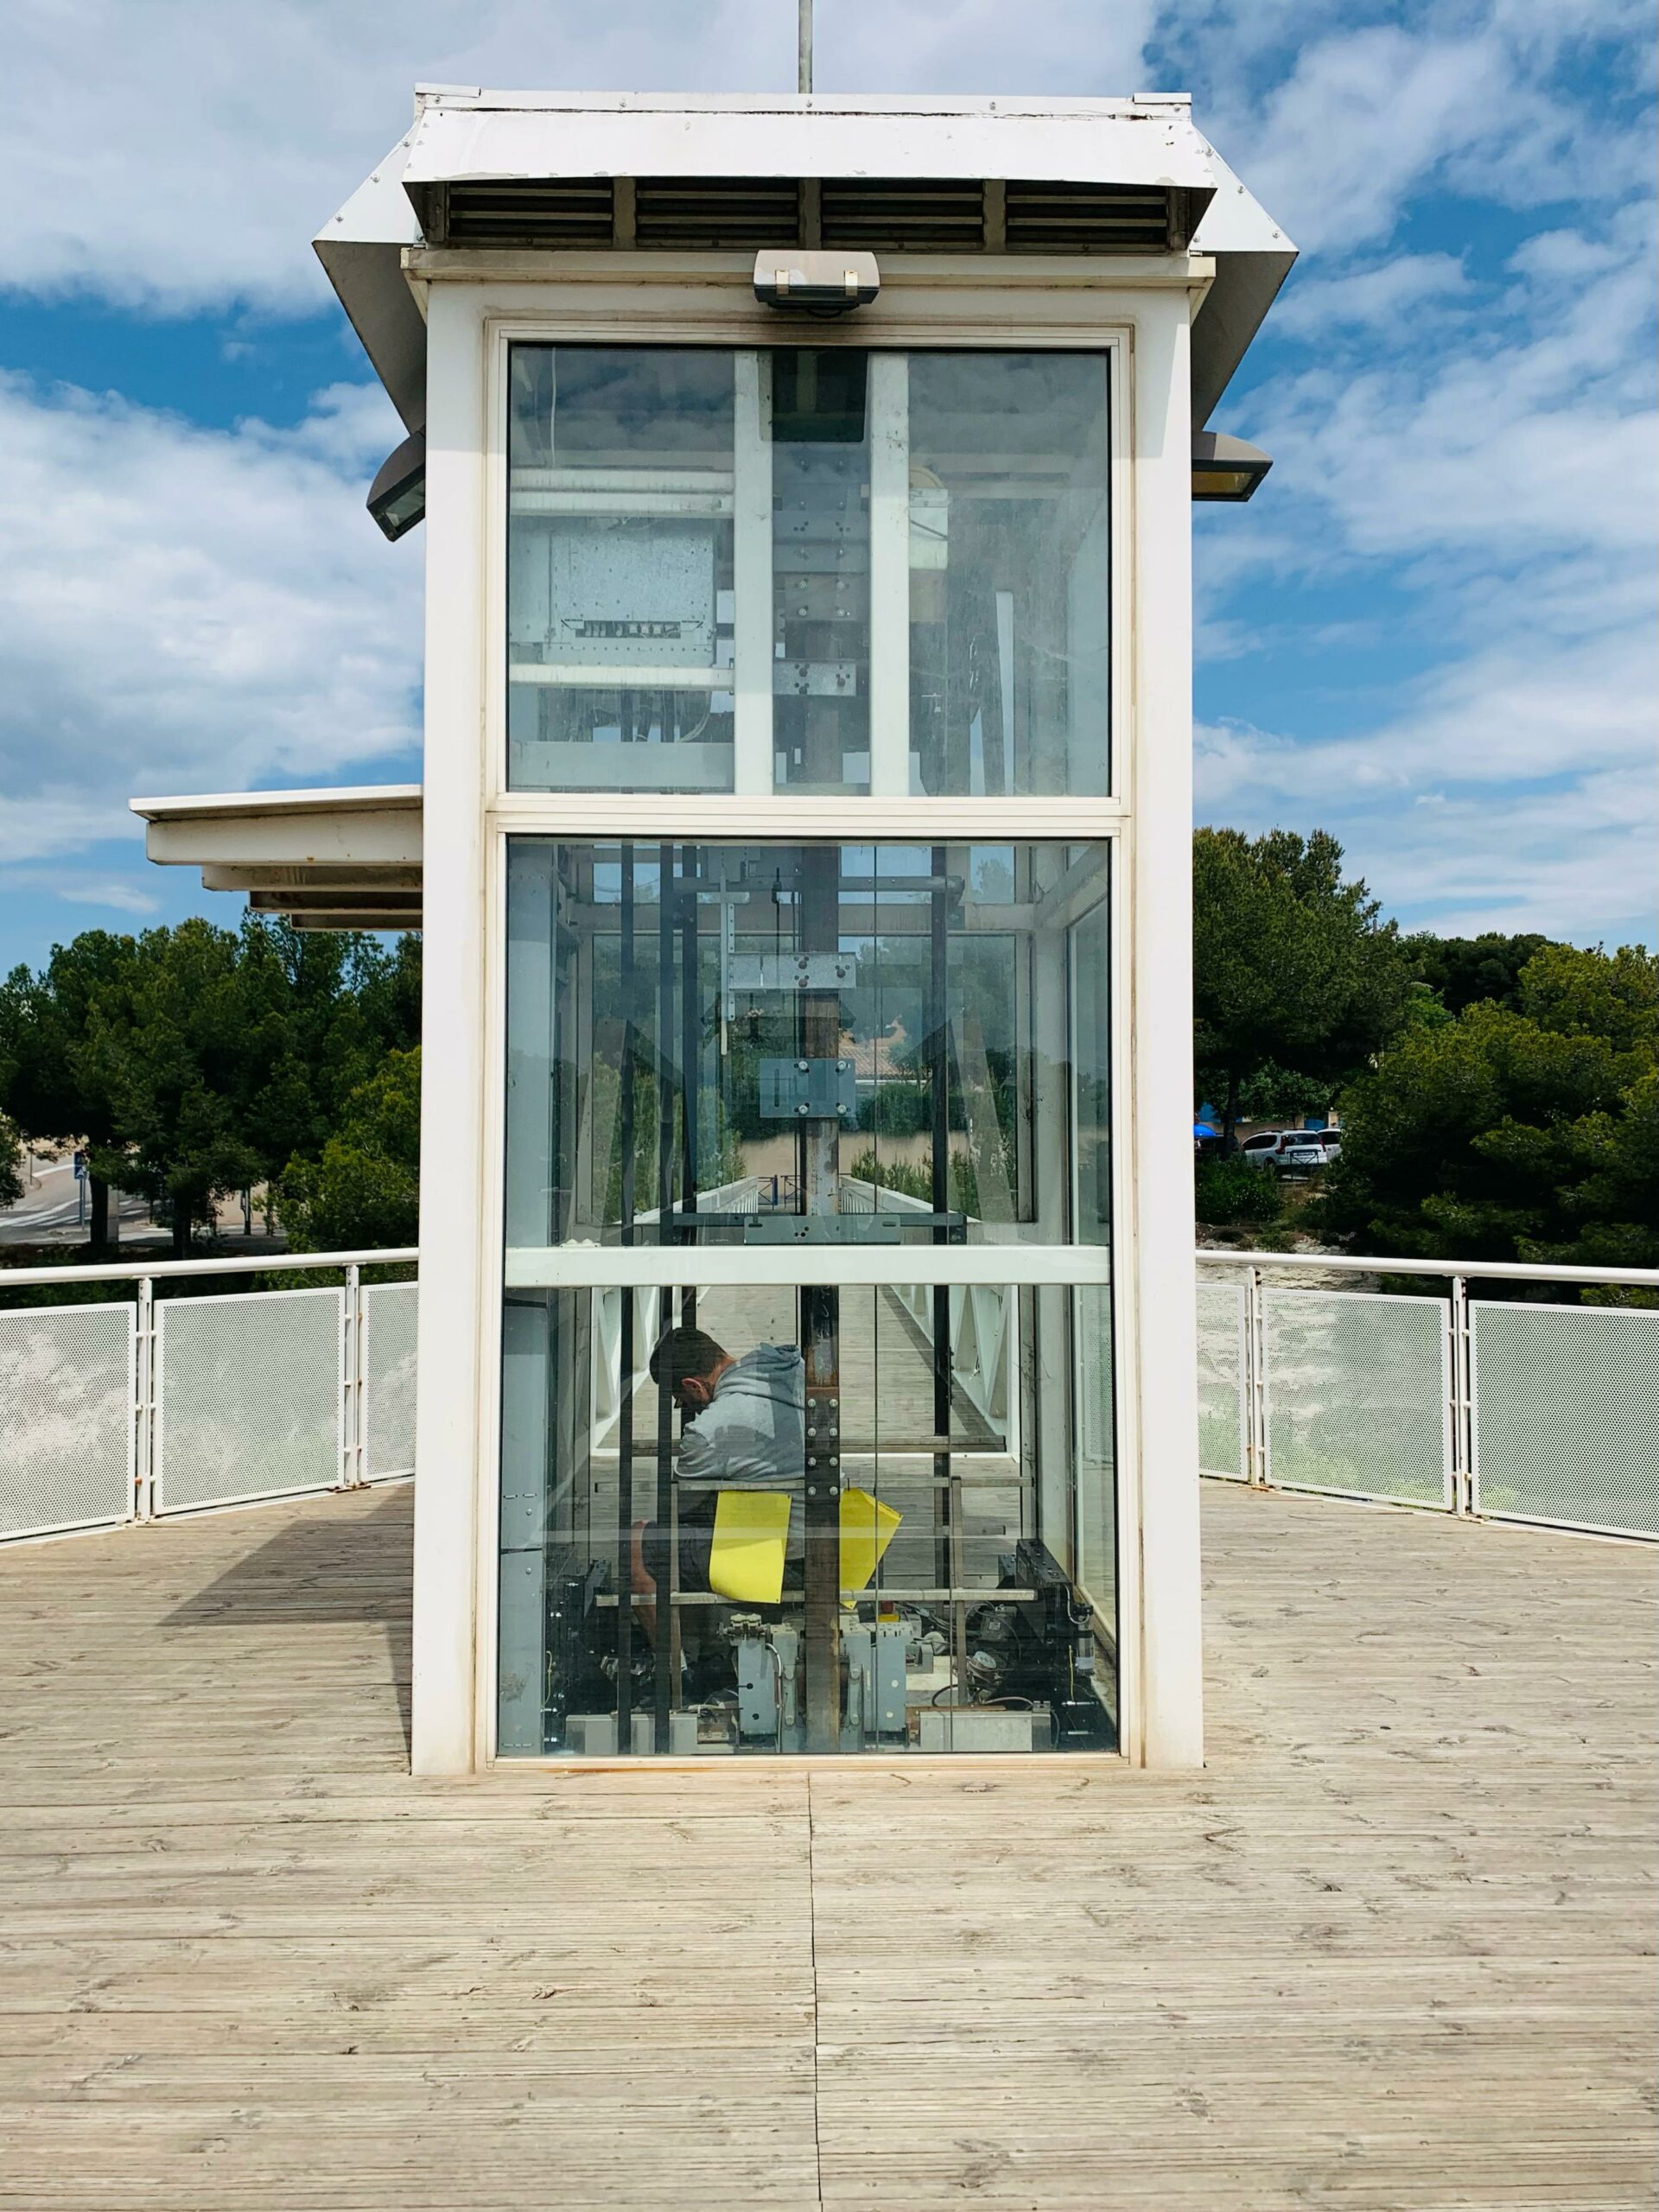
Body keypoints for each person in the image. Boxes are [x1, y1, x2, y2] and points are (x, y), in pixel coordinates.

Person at [631, 1326, 806, 1604]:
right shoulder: (793, 1372)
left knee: (639, 1541)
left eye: (680, 1397)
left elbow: (687, 1508)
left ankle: (680, 1648)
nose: (681, 1404)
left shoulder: (708, 1429)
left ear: (693, 1385)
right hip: (844, 1545)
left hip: (787, 1561)